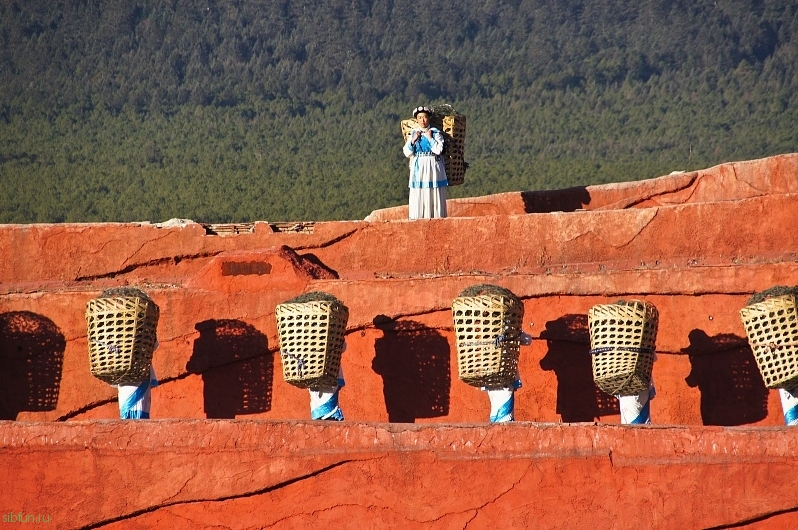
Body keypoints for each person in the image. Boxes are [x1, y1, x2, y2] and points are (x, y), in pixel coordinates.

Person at [403, 106, 448, 219]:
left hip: (433, 166)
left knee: (433, 191)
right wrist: (413, 141)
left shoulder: (435, 133)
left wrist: (430, 138)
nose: (423, 120)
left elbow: (438, 150)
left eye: (425, 117)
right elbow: (407, 152)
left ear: (429, 118)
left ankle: (436, 217)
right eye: (420, 118)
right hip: (419, 167)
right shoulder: (413, 134)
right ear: (416, 120)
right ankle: (418, 217)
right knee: (419, 192)